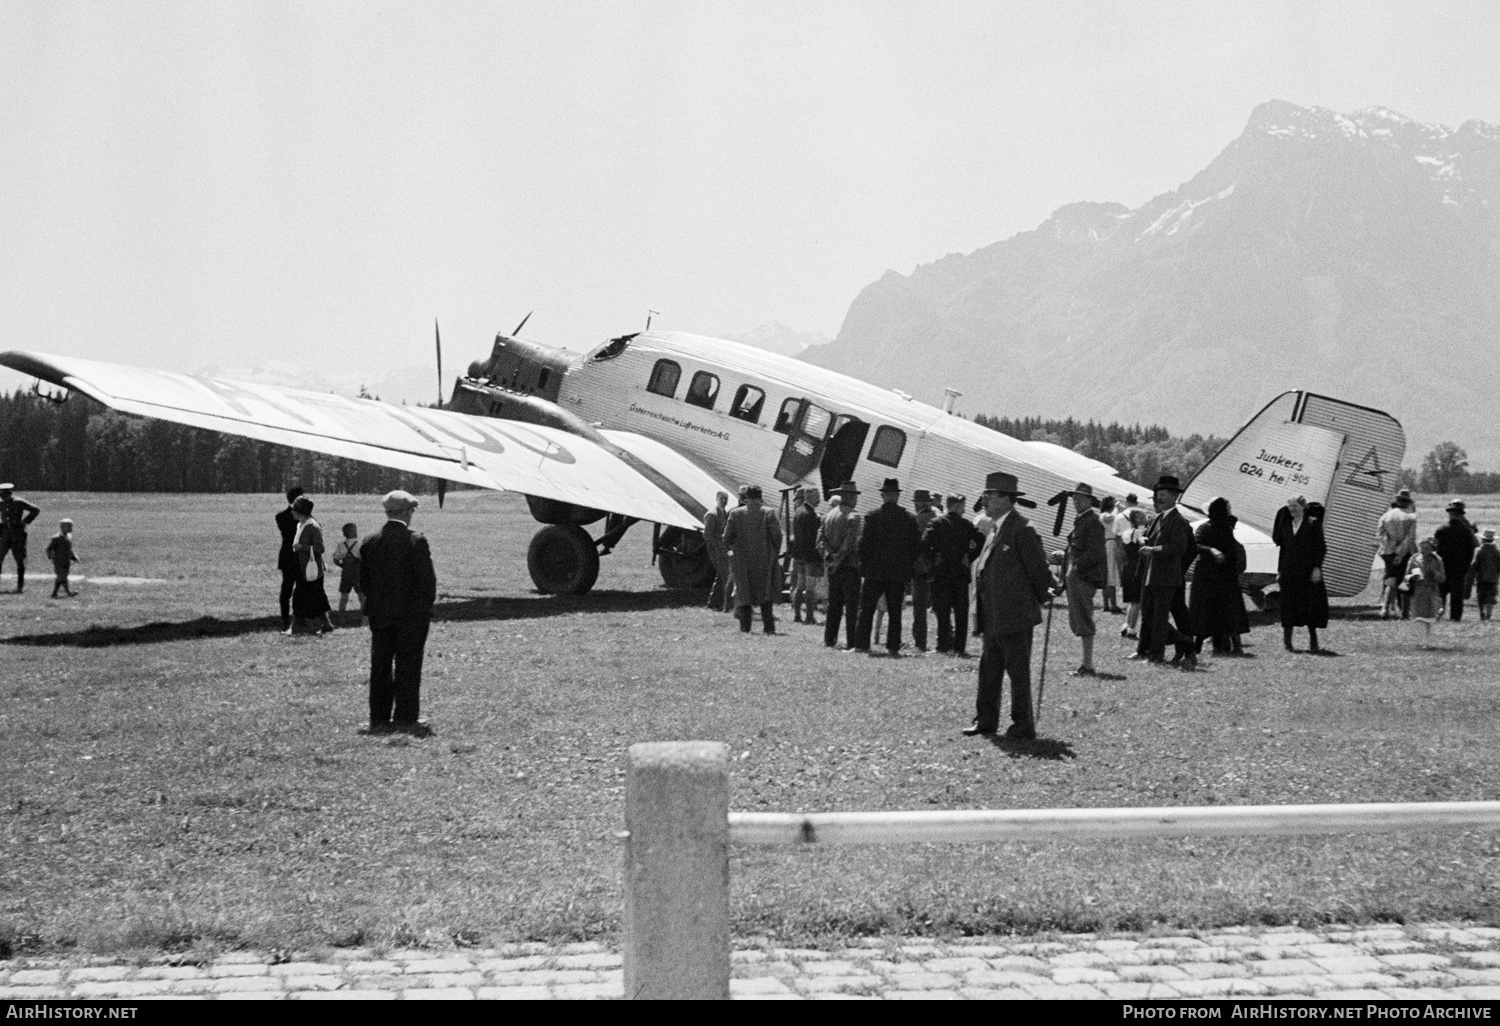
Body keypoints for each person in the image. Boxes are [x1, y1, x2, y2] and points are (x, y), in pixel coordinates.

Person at [964, 472, 1052, 740]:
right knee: (989, 670)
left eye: (989, 496)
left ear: (1006, 499)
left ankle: (1023, 724)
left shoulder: (1022, 528)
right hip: (993, 615)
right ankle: (986, 720)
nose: (985, 501)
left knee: (1018, 672)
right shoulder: (995, 528)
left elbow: (1037, 570)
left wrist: (1044, 594)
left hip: (1015, 615)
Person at [359, 490, 438, 735]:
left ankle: (379, 718)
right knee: (408, 665)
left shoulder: (370, 541)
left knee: (380, 665)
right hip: (411, 616)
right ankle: (405, 717)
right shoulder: (416, 541)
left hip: (380, 616)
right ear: (406, 512)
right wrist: (425, 607)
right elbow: (428, 582)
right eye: (411, 511)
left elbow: (364, 581)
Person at [1130, 475, 1197, 668]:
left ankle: (1156, 654)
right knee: (1148, 614)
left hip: (1166, 576)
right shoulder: (1159, 517)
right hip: (1152, 574)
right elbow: (1149, 536)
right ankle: (1179, 643)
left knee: (1158, 617)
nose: (1159, 498)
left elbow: (1178, 548)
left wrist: (1153, 550)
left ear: (1174, 497)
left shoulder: (1178, 521)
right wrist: (1144, 540)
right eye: (1158, 494)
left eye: (1164, 494)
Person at [855, 478, 923, 656]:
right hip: (897, 572)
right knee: (895, 612)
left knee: (867, 609)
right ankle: (893, 647)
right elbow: (916, 547)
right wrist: (906, 565)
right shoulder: (909, 519)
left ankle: (862, 645)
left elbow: (863, 545)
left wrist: (866, 564)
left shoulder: (872, 516)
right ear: (897, 496)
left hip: (874, 571)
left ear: (883, 495)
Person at [923, 492, 984, 655]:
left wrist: (933, 558)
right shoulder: (966, 524)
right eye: (963, 507)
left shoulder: (936, 523)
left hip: (941, 572)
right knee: (961, 612)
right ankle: (959, 647)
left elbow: (924, 544)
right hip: (960, 573)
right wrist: (970, 556)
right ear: (956, 506)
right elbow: (980, 540)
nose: (964, 510)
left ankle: (943, 646)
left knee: (943, 612)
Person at [1189, 497, 1249, 655]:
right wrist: (1211, 550)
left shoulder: (1226, 526)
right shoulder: (1204, 528)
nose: (1230, 511)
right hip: (1207, 575)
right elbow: (1196, 544)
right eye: (1227, 508)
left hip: (1225, 574)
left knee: (1227, 611)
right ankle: (1198, 646)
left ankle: (1228, 645)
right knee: (1205, 611)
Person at [1059, 483, 1107, 676]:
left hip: (1084, 577)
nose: (1076, 501)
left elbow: (1094, 552)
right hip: (1076, 576)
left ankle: (1088, 665)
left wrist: (1077, 568)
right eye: (1074, 498)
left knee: (1084, 619)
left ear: (1090, 500)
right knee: (1079, 619)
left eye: (1081, 498)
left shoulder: (1093, 521)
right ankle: (1085, 664)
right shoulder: (1081, 520)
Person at [722, 484, 782, 634]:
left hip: (742, 560)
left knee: (744, 593)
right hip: (764, 560)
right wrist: (774, 552)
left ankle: (745, 628)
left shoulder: (735, 514)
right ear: (761, 496)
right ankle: (768, 628)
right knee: (765, 593)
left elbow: (726, 537)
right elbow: (777, 536)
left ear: (745, 497)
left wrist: (733, 549)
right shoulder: (769, 513)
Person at [1272, 495, 1329, 653]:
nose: (1292, 509)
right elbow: (1283, 550)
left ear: (1303, 507)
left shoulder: (1312, 523)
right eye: (1290, 506)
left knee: (1310, 605)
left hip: (1307, 570)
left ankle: (1313, 641)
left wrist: (1317, 567)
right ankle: (1287, 642)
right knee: (1288, 606)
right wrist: (1280, 571)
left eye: (1295, 506)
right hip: (1289, 571)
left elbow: (1320, 547)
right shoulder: (1285, 525)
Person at [819, 482, 863, 649]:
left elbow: (820, 542)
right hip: (849, 566)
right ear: (851, 497)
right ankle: (852, 642)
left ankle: (830, 639)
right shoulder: (854, 516)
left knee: (834, 604)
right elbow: (849, 544)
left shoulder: (827, 515)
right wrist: (838, 561)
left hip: (832, 567)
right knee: (852, 607)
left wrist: (829, 559)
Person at [287, 495, 334, 636]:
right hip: (303, 568)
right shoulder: (301, 525)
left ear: (301, 512)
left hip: (310, 569)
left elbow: (320, 548)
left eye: (294, 510)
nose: (292, 512)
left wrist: (302, 547)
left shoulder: (312, 527)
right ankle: (326, 624)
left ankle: (295, 627)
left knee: (299, 597)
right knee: (317, 597)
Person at [1376, 490, 1418, 619]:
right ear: (1408, 502)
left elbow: (1380, 535)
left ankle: (1385, 609)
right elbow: (1409, 539)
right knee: (1405, 581)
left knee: (1390, 580)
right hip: (1404, 554)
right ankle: (1405, 612)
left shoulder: (1385, 516)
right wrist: (1400, 553)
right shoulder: (1411, 517)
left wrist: (1388, 549)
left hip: (1387, 553)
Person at [1434, 500, 1479, 622]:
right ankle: (1455, 617)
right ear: (1461, 515)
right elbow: (1471, 551)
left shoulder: (1441, 530)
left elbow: (1436, 548)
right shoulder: (1466, 531)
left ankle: (1439, 614)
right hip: (1459, 567)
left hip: (1443, 566)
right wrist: (1465, 565)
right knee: (1457, 595)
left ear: (1449, 514)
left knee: (1441, 593)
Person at [908, 489, 938, 651]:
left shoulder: (916, 520)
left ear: (919, 503)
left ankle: (920, 642)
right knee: (941, 605)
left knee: (919, 607)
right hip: (937, 567)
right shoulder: (938, 517)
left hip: (920, 568)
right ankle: (947, 638)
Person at [789, 486, 824, 625]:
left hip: (798, 555)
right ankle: (809, 616)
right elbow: (814, 539)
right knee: (810, 588)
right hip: (811, 556)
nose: (819, 499)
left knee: (799, 586)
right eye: (817, 497)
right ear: (809, 497)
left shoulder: (798, 512)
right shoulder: (812, 515)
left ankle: (797, 615)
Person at [1404, 537, 1445, 646]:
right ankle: (1422, 642)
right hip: (1418, 592)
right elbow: (1406, 578)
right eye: (1422, 547)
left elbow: (1442, 578)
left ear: (1432, 549)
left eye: (1427, 547)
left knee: (1430, 618)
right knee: (1419, 617)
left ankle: (1427, 641)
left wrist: (1435, 574)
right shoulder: (1414, 559)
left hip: (1431, 591)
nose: (1424, 550)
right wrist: (1413, 577)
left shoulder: (1437, 560)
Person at [1, 483, 41, 594]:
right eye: (2, 497)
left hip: (17, 535)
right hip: (4, 535)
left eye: (5, 496)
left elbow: (35, 509)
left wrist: (25, 521)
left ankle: (20, 586)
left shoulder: (18, 502)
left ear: (10, 494)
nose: (4, 499)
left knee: (19, 560)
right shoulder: (1, 503)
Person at [275, 486, 305, 629]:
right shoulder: (304, 518)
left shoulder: (280, 517)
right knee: (301, 588)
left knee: (286, 588)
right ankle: (300, 617)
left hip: (287, 555)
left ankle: (285, 617)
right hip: (300, 556)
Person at [1119, 507, 1148, 639]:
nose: (1145, 518)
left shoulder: (1126, 533)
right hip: (1137, 567)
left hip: (1127, 566)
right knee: (1136, 600)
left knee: (1131, 600)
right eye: (1142, 516)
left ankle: (1126, 624)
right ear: (1137, 519)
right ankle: (1132, 628)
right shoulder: (1139, 533)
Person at [702, 491, 733, 613]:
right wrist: (718, 546)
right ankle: (727, 604)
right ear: (716, 499)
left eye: (726, 498)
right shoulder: (712, 514)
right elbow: (707, 535)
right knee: (725, 576)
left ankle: (713, 602)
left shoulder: (722, 513)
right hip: (716, 550)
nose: (724, 501)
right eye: (722, 498)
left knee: (721, 575)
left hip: (722, 549)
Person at [331, 522, 365, 625]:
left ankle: (342, 618)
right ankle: (365, 619)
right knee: (362, 596)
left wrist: (343, 566)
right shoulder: (359, 545)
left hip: (346, 574)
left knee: (344, 596)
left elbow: (336, 559)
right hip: (357, 574)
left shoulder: (341, 545)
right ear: (355, 532)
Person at [1100, 495, 1124, 614]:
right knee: (1110, 577)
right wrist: (1116, 508)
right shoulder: (1104, 515)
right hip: (1109, 544)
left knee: (1107, 576)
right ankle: (1113, 605)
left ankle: (1106, 605)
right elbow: (1111, 518)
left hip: (1110, 544)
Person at [44, 519, 79, 598]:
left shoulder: (69, 536)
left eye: (71, 526)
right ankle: (68, 592)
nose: (71, 528)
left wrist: (73, 557)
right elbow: (49, 549)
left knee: (62, 577)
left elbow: (69, 549)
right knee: (62, 577)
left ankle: (54, 593)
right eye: (68, 526)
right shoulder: (56, 538)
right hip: (59, 562)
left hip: (66, 561)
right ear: (62, 527)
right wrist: (52, 557)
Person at [1473, 529, 1499, 621]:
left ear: (1483, 540)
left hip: (1481, 578)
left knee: (1481, 597)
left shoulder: (1479, 551)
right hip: (1493, 579)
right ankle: (1489, 615)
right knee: (1491, 598)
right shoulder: (1497, 552)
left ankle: (1482, 613)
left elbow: (1475, 565)